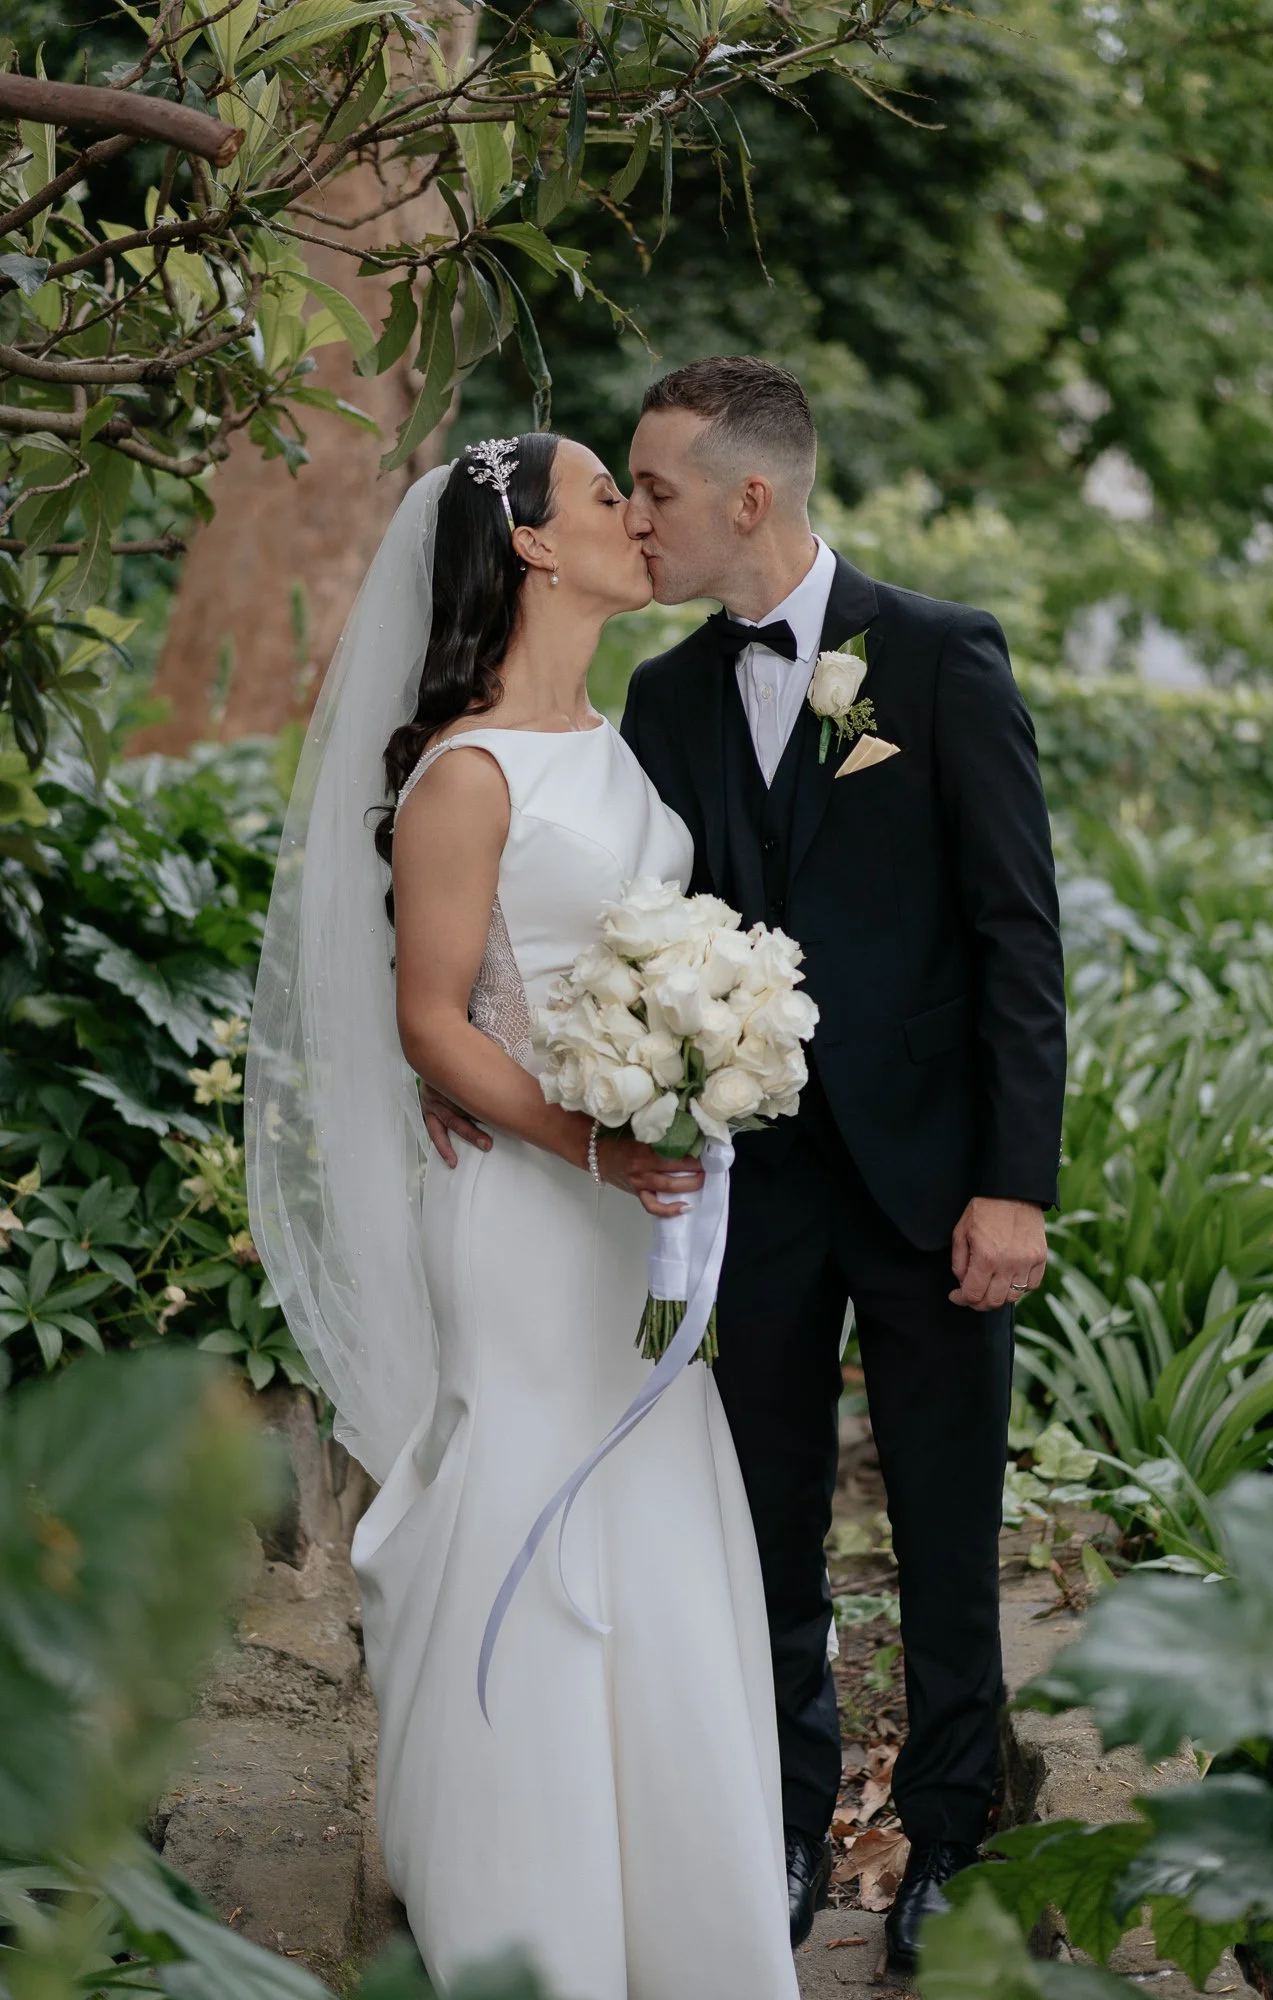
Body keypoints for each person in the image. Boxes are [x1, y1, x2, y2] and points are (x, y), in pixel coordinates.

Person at [423, 358, 1067, 1972]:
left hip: (934, 1191)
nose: (640, 518)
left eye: (656, 492)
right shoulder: (668, 700)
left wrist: (1018, 1185)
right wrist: (500, 1067)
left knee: (943, 1530)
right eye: (619, 494)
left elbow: (1016, 939)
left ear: (749, 498)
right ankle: (774, 1830)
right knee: (762, 1528)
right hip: (740, 1197)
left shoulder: (937, 659)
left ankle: (948, 1847)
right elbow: (610, 930)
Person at [246, 434, 801, 1999]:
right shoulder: (466, 772)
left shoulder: (616, 746)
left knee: (657, 1530)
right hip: (527, 1212)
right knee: (527, 1521)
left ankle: (682, 1935)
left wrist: (703, 1075)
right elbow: (434, 1022)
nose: (640, 516)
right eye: (603, 497)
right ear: (535, 551)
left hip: (633, 1216)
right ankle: (534, 1939)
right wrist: (592, 1143)